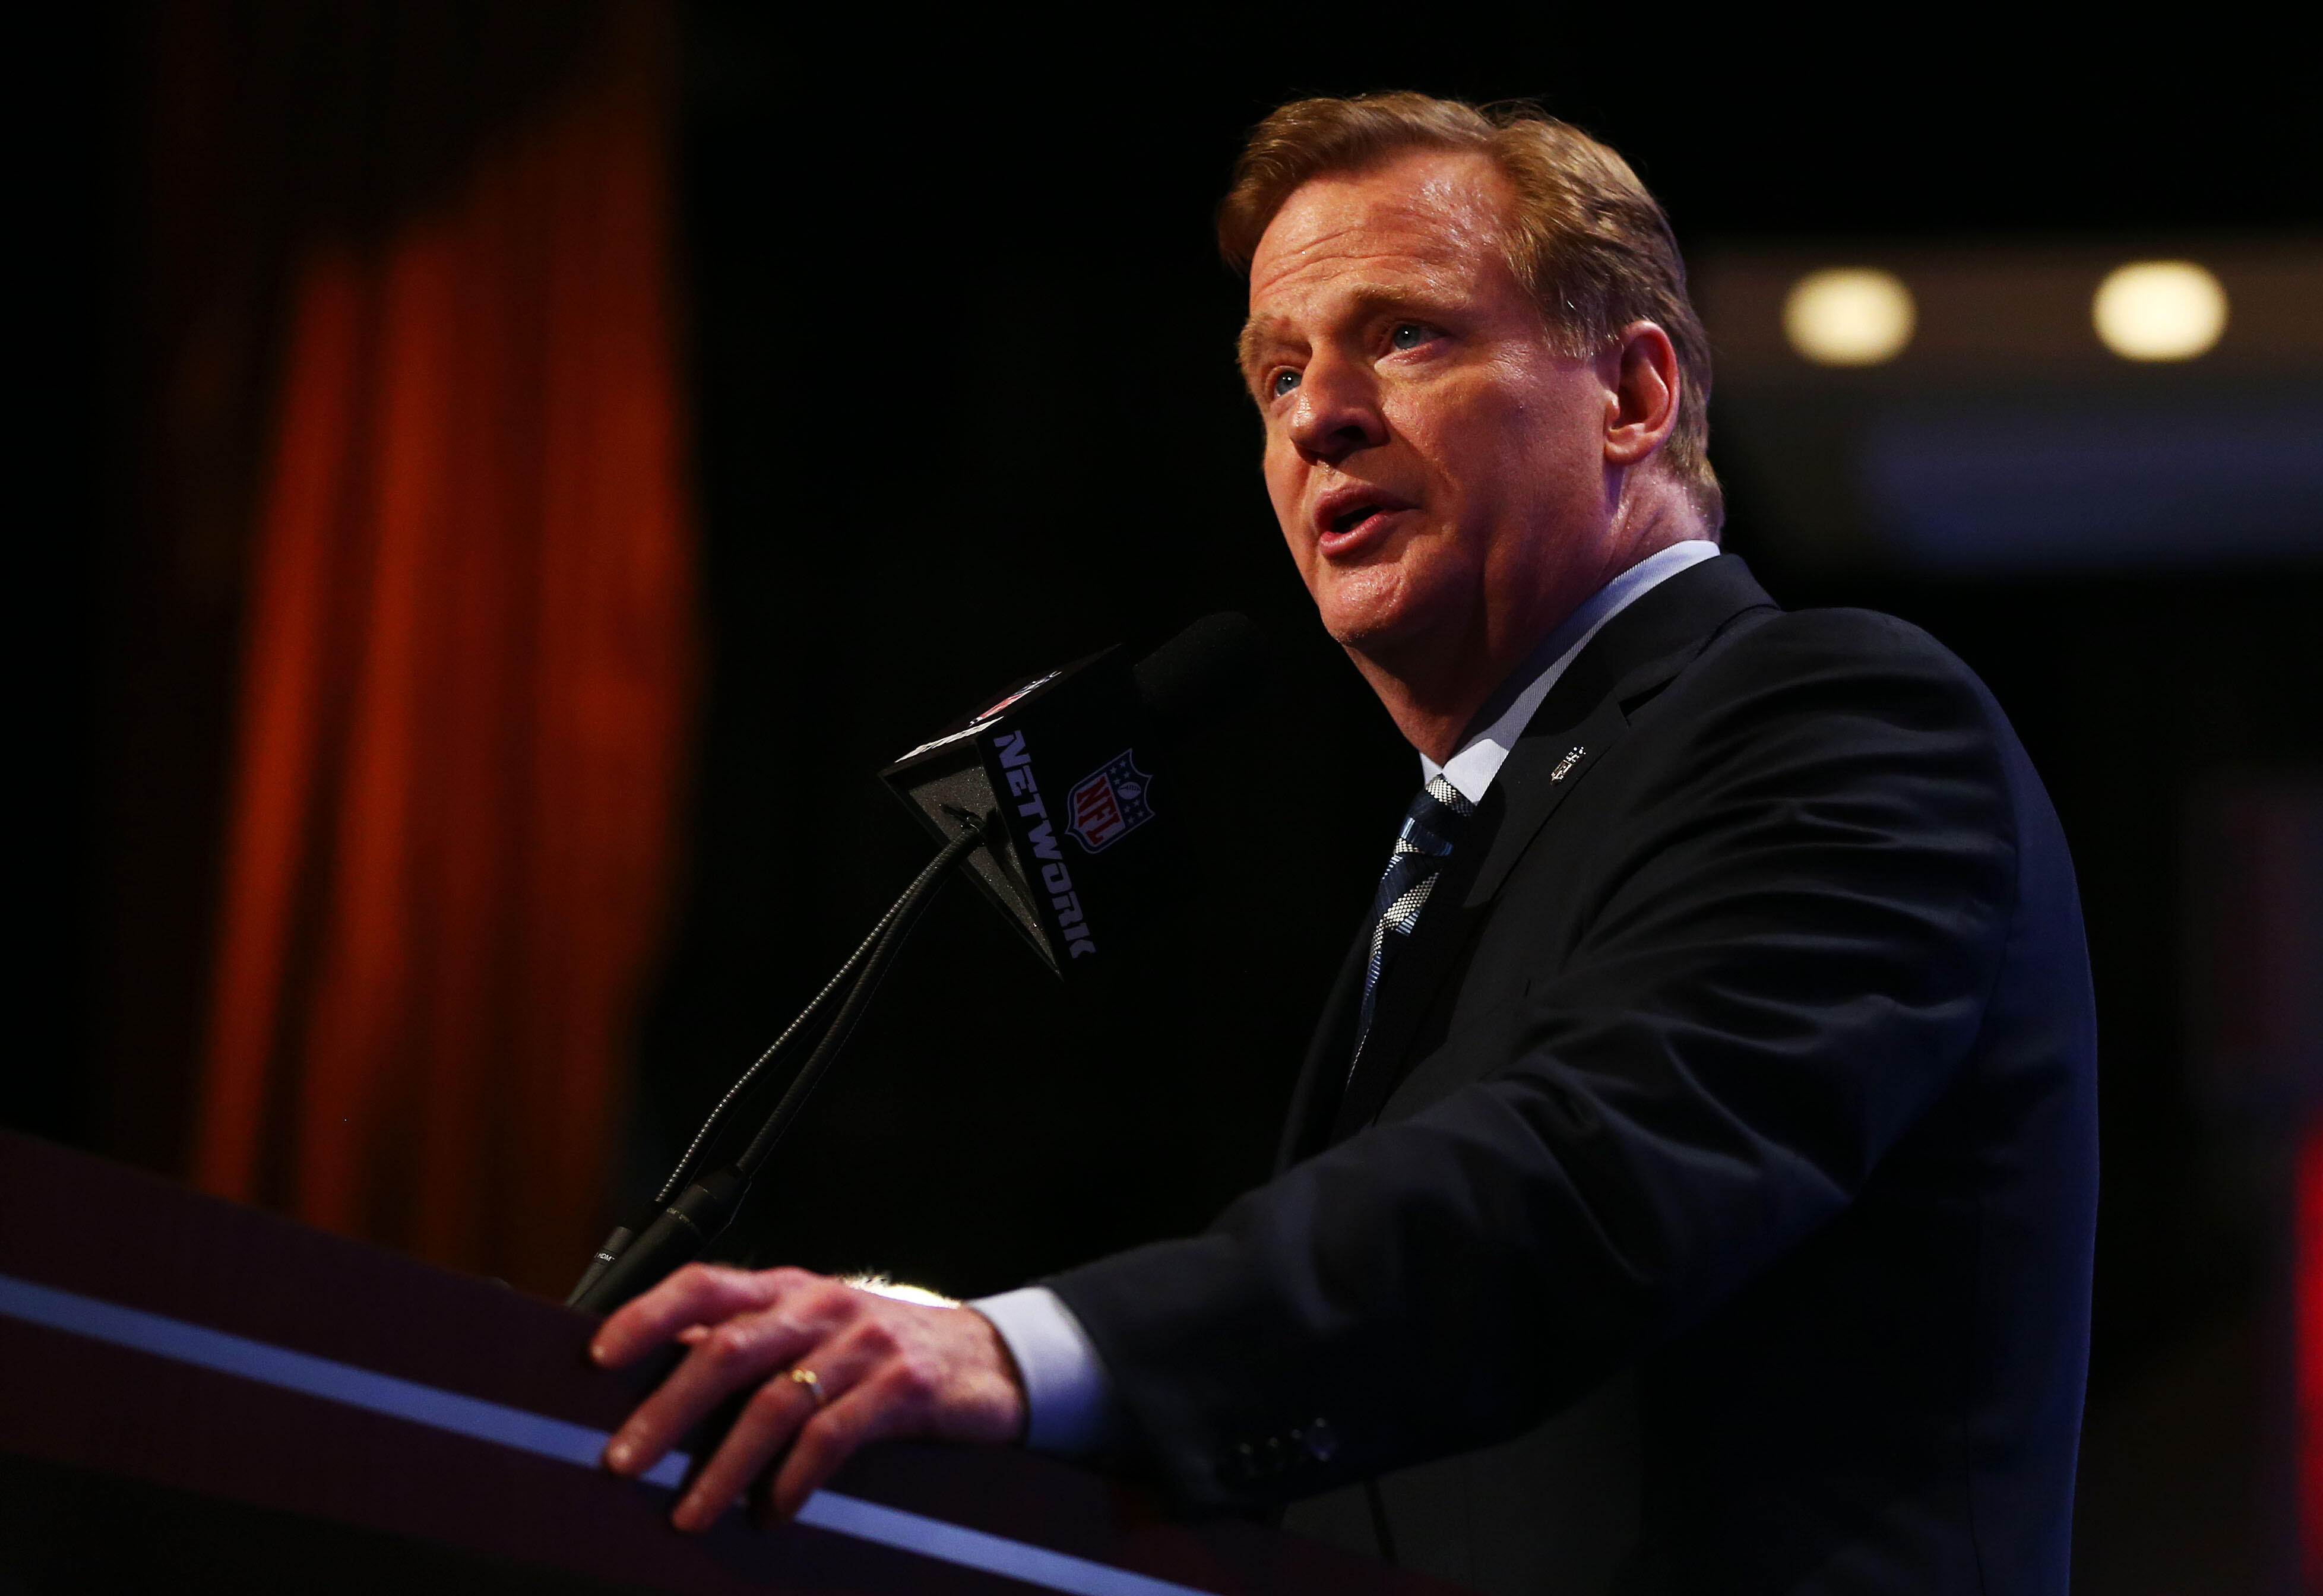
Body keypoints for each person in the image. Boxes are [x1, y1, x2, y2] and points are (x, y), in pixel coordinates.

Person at [593, 93, 2097, 1596]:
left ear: (1632, 395)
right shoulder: (1462, 850)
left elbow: (1582, 1179)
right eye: (1276, 373)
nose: (1318, 415)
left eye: (1406, 337)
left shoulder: (1835, 715)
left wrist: (1027, 1351)